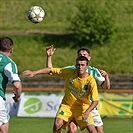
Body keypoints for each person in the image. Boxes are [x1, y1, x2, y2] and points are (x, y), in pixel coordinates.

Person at [23, 56, 99, 133]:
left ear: (87, 67)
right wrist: (34, 72)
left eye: (82, 65)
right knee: (57, 124)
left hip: (82, 108)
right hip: (67, 105)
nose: (80, 67)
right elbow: (50, 70)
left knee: (92, 130)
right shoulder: (69, 72)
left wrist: (87, 112)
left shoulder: (91, 81)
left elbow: (95, 101)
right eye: (78, 65)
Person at [46, 45, 110, 133]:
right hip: (76, 106)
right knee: (72, 129)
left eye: (84, 54)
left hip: (91, 107)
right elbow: (51, 71)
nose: (82, 55)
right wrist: (49, 57)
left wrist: (106, 77)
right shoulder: (73, 69)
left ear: (89, 58)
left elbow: (106, 87)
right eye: (80, 54)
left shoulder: (95, 72)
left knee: (99, 131)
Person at [0, 37, 22, 133]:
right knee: (3, 128)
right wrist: (17, 96)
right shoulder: (8, 63)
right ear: (11, 50)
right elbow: (17, 85)